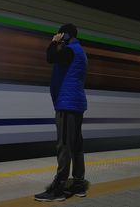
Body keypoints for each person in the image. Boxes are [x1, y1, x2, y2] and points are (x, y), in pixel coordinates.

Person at [34, 23, 88, 202]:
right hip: (75, 103)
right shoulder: (78, 50)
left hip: (67, 104)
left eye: (60, 33)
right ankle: (79, 184)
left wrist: (52, 43)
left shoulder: (70, 50)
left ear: (66, 35)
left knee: (64, 146)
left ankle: (59, 188)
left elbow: (50, 57)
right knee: (76, 146)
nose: (58, 35)